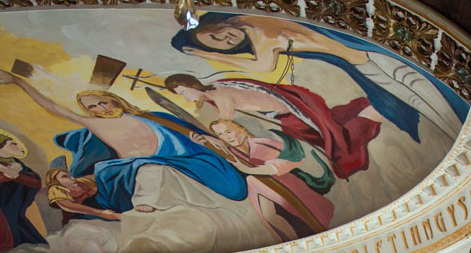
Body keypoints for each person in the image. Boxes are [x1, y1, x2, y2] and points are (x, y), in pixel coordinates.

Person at [170, 12, 468, 143]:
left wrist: (204, 55)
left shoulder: (258, 28)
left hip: (371, 56)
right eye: (219, 44)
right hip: (359, 61)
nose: (225, 40)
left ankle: (462, 136)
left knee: (427, 97)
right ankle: (459, 137)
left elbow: (261, 67)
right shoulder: (251, 30)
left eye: (217, 35)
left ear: (215, 22)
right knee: (415, 100)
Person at [0, 72, 248, 213]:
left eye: (104, 101)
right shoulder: (97, 124)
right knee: (145, 170)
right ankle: (145, 204)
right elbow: (54, 108)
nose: (102, 108)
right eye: (94, 106)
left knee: (225, 183)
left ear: (115, 100)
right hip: (136, 165)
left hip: (181, 160)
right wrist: (19, 81)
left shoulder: (153, 117)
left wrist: (207, 139)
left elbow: (189, 132)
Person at [163, 71, 381, 179]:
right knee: (326, 134)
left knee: (331, 141)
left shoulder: (219, 94)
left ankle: (366, 119)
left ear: (191, 85)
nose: (184, 97)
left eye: (183, 92)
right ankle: (364, 116)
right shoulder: (214, 90)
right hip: (281, 115)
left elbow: (225, 120)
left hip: (288, 113)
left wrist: (210, 136)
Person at [194, 118, 334, 241]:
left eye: (228, 131)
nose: (226, 137)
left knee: (298, 212)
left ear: (239, 129)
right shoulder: (230, 152)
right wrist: (204, 143)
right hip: (258, 188)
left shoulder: (264, 143)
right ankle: (294, 241)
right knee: (271, 217)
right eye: (220, 134)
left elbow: (294, 159)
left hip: (284, 184)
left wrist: (252, 170)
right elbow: (217, 151)